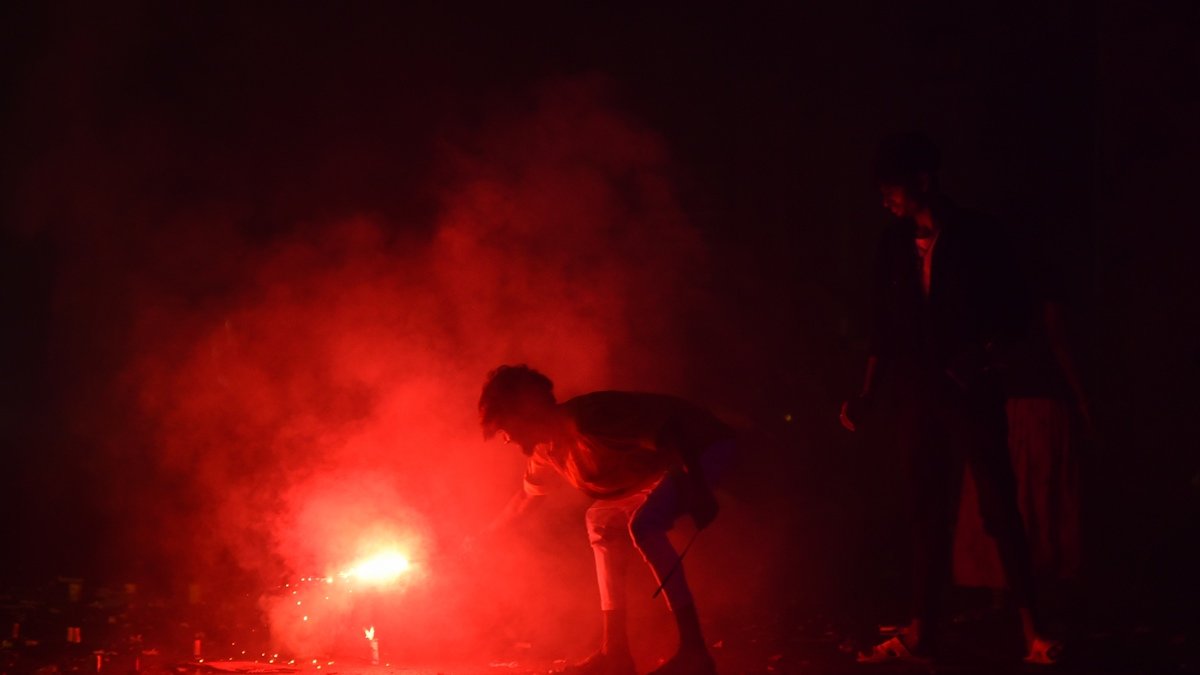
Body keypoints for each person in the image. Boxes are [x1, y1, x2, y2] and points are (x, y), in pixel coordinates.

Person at [840, 132, 1060, 665]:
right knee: (926, 511)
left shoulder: (978, 236)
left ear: (922, 181)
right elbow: (883, 330)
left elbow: (1016, 313)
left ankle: (1033, 631)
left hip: (969, 392)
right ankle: (923, 629)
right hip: (917, 396)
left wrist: (981, 357)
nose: (885, 201)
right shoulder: (892, 246)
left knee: (999, 507)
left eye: (891, 188)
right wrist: (867, 395)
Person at [478, 364, 736, 675]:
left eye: (505, 426)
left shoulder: (588, 420)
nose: (507, 439)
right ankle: (615, 654)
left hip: (704, 449)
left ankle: (695, 654)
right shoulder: (547, 450)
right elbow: (526, 500)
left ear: (526, 409)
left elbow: (672, 432)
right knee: (600, 520)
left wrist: (698, 490)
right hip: (665, 468)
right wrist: (483, 539)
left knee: (645, 524)